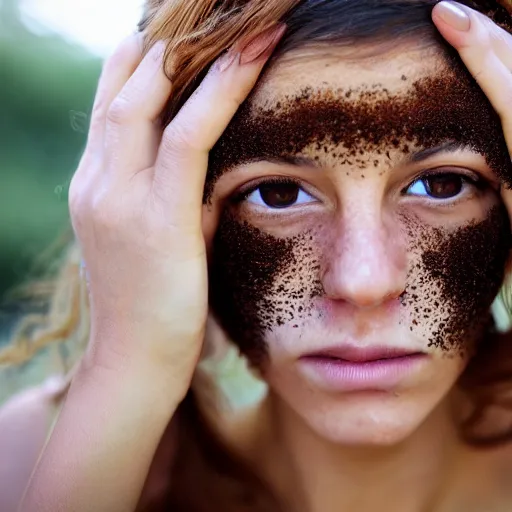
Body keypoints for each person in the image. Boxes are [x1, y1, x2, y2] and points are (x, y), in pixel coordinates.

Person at [2, 0, 512, 510]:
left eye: (442, 185)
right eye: (279, 194)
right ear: (171, 222)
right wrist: (124, 374)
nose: (363, 281)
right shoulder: (27, 461)